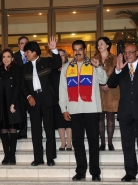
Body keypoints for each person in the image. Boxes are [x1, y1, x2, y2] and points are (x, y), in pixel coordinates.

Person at [59, 40, 107, 181]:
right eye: (75, 50)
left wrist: (98, 67)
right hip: (74, 110)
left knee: (93, 141)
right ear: (72, 51)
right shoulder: (67, 67)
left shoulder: (93, 65)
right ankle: (81, 171)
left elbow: (104, 80)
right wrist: (63, 108)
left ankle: (95, 172)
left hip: (92, 109)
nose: (77, 52)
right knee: (77, 142)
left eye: (80, 49)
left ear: (85, 50)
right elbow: (62, 90)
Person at [21, 37, 62, 166]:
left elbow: (58, 64)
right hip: (33, 101)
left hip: (47, 99)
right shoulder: (24, 68)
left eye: (28, 52)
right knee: (36, 131)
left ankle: (50, 158)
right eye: (25, 52)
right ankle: (38, 158)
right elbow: (22, 85)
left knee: (49, 129)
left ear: (34, 52)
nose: (26, 54)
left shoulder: (47, 61)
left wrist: (54, 49)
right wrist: (28, 96)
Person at [107, 44, 138, 182]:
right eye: (126, 52)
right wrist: (117, 70)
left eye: (131, 52)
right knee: (127, 144)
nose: (128, 55)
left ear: (137, 53)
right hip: (125, 113)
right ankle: (130, 172)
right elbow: (111, 84)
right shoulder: (121, 68)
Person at [0, 48, 23, 165]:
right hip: (0, 104)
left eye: (8, 56)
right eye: (4, 57)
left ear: (12, 58)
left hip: (12, 103)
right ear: (1, 59)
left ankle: (12, 156)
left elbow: (18, 87)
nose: (6, 59)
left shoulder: (16, 69)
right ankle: (6, 156)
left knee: (12, 130)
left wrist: (13, 103)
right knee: (3, 130)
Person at [92, 37, 120, 151]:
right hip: (98, 90)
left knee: (110, 116)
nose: (99, 46)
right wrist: (101, 83)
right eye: (98, 44)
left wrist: (107, 83)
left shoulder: (114, 58)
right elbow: (91, 74)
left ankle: (110, 142)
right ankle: (102, 143)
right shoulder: (93, 59)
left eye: (102, 44)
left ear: (108, 45)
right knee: (99, 117)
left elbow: (117, 72)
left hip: (111, 89)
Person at [52, 49, 72, 151]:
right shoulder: (52, 70)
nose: (60, 58)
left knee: (68, 122)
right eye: (58, 56)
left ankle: (69, 144)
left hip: (69, 99)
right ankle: (62, 143)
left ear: (66, 57)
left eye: (62, 55)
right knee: (59, 122)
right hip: (56, 100)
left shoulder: (70, 68)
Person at [14, 36, 29, 140]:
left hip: (32, 88)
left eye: (25, 43)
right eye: (21, 43)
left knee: (35, 111)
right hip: (19, 88)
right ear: (18, 45)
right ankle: (23, 132)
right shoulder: (14, 56)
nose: (23, 45)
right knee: (22, 111)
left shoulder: (33, 55)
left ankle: (37, 132)